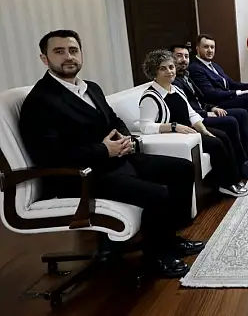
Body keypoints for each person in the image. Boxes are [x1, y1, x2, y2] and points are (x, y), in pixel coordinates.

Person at [19, 30, 203, 279]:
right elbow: (50, 156)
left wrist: (127, 140)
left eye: (73, 50)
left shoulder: (91, 88)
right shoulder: (40, 101)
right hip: (81, 176)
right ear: (45, 59)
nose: (68, 57)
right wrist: (104, 150)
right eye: (59, 52)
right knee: (157, 193)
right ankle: (157, 257)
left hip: (116, 160)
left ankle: (169, 240)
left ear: (81, 54)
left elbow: (114, 120)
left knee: (182, 169)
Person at [138, 49, 248, 198]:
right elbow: (145, 127)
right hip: (174, 136)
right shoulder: (150, 97)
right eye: (162, 68)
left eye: (171, 67)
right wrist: (174, 126)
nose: (169, 71)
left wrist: (204, 130)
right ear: (154, 72)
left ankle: (233, 179)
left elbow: (191, 114)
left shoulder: (176, 89)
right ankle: (225, 184)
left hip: (189, 131)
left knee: (223, 136)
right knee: (216, 144)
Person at [170, 43, 248, 170]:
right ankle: (244, 162)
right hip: (205, 111)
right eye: (179, 56)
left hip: (207, 108)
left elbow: (226, 85)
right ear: (198, 49)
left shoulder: (190, 75)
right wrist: (208, 111)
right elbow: (203, 98)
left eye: (186, 56)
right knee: (244, 108)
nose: (184, 60)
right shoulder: (186, 74)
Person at [188, 34, 248, 155]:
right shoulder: (196, 68)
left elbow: (231, 83)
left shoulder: (214, 66)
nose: (210, 50)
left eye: (212, 47)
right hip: (216, 103)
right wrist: (237, 93)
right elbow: (210, 94)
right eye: (206, 47)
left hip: (225, 97)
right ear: (197, 48)